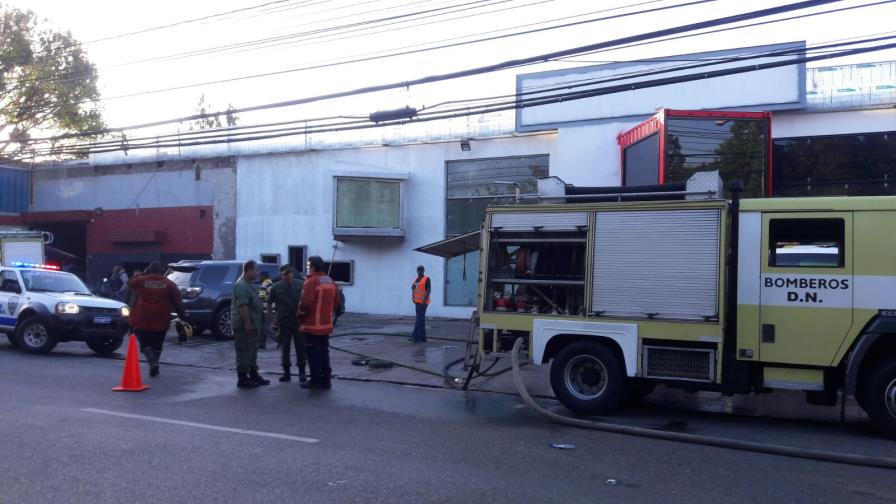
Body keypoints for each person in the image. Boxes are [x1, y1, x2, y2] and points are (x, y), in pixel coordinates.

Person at [127, 262, 186, 377]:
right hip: (162, 321)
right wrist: (183, 317)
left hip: (142, 320)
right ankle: (155, 364)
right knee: (158, 344)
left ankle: (152, 362)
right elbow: (178, 303)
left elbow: (130, 281)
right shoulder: (169, 284)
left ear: (150, 270)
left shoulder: (142, 281)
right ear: (161, 271)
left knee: (145, 345)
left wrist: (143, 273)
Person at [299, 255, 340, 390]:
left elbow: (305, 304)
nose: (307, 268)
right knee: (324, 353)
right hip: (326, 326)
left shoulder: (311, 282)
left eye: (308, 266)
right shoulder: (330, 280)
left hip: (312, 326)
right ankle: (326, 380)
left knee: (313, 354)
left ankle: (315, 380)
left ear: (313, 267)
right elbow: (337, 302)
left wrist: (299, 318)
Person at [231, 260, 271, 388]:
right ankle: (242, 378)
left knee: (252, 351)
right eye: (256, 270)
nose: (258, 273)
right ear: (248, 270)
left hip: (254, 324)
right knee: (244, 351)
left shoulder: (249, 284)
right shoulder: (241, 285)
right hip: (244, 326)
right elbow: (243, 307)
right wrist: (247, 324)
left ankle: (253, 374)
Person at [267, 265, 307, 383]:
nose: (288, 275)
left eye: (289, 273)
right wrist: (272, 318)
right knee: (285, 347)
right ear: (281, 274)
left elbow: (307, 300)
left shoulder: (300, 284)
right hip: (284, 322)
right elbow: (269, 303)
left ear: (293, 273)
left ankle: (302, 372)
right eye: (285, 274)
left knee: (301, 347)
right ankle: (286, 372)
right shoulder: (276, 287)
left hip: (298, 321)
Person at [409, 265, 431, 343]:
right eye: (418, 270)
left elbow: (428, 290)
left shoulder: (426, 279)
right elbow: (412, 287)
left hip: (423, 303)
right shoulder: (418, 279)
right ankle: (423, 337)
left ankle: (414, 336)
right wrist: (414, 298)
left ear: (423, 271)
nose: (419, 272)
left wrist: (423, 301)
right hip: (417, 302)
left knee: (419, 319)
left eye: (421, 270)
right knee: (421, 319)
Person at [257, 270, 274, 349]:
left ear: (264, 276)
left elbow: (262, 297)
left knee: (264, 327)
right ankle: (261, 343)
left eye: (260, 276)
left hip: (266, 308)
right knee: (262, 326)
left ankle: (278, 338)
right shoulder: (271, 283)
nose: (258, 277)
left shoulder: (264, 284)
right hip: (272, 308)